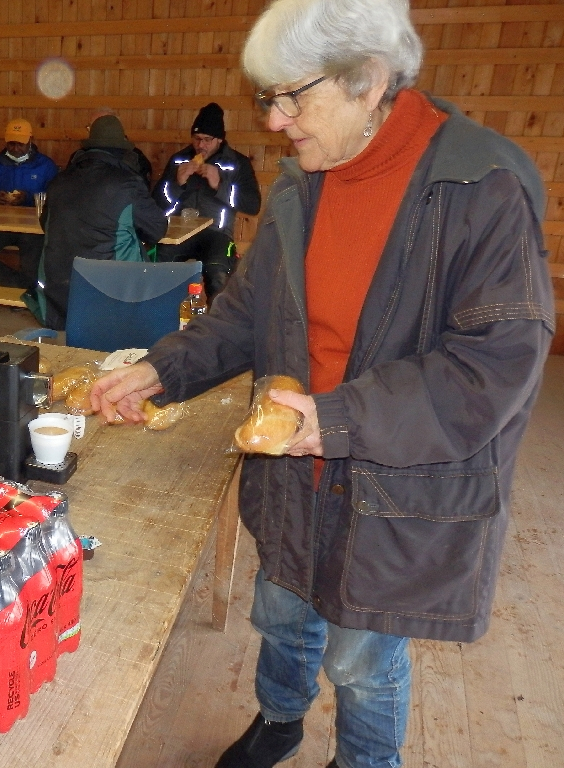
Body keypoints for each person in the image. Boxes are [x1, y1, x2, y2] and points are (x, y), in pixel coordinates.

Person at [88, 1, 554, 767]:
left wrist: (331, 421)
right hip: (293, 466)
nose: (274, 121)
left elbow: (491, 366)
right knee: (281, 611)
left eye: (292, 97)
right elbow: (247, 312)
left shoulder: (480, 188)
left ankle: (364, 760)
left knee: (362, 658)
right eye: (268, 98)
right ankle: (280, 720)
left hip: (391, 478)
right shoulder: (301, 185)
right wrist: (160, 369)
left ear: (369, 79)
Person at [32, 115, 168, 331]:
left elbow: (45, 224)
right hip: (110, 300)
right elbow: (157, 230)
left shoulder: (59, 181)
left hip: (58, 302)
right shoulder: (127, 183)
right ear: (122, 151)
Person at [154, 103, 261, 299]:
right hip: (179, 234)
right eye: (197, 138)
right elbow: (156, 204)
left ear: (219, 139)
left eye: (207, 139)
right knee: (159, 264)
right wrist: (177, 183)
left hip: (218, 234)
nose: (201, 145)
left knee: (218, 274)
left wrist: (220, 185)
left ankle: (216, 319)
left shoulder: (237, 163)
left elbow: (253, 205)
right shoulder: (179, 160)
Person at [0, 118, 58, 289]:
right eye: (11, 143)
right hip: (2, 225)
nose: (15, 148)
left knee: (31, 264)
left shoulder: (46, 166)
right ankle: (19, 287)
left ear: (30, 140)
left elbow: (54, 198)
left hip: (33, 228)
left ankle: (26, 290)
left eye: (20, 144)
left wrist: (28, 198)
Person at [70, 107, 154, 188]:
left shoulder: (136, 158)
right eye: (92, 127)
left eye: (101, 127)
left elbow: (142, 190)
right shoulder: (78, 156)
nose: (95, 130)